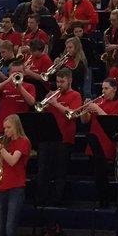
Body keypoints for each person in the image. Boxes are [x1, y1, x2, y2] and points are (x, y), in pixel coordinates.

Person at [34, 68, 81, 206]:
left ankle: (56, 199)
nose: (59, 84)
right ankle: (41, 199)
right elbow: (41, 110)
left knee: (60, 172)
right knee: (43, 171)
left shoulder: (75, 95)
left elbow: (72, 114)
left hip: (64, 138)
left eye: (62, 81)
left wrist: (55, 104)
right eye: (57, 81)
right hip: (48, 136)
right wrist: (45, 105)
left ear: (70, 80)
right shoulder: (53, 94)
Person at [0, 113, 32, 236]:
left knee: (10, 227)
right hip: (0, 186)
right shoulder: (5, 143)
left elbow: (13, 161)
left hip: (16, 187)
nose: (5, 131)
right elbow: (1, 163)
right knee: (0, 228)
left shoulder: (23, 141)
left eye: (8, 127)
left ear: (16, 126)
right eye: (4, 128)